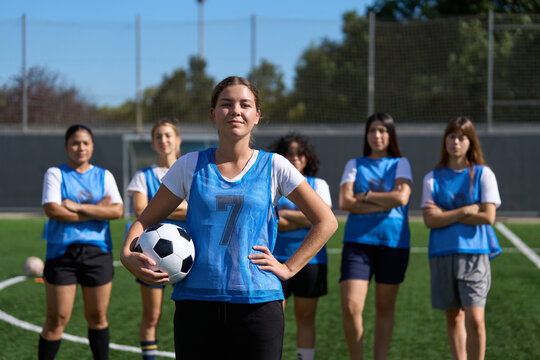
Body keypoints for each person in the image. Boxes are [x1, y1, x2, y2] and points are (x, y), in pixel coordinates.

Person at [121, 76, 338, 360]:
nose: (236, 110)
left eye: (245, 104)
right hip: (196, 304)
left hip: (259, 304)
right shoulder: (189, 165)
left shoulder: (275, 165)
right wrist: (127, 253)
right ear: (213, 113)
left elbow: (326, 221)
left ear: (257, 115)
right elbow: (144, 219)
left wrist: (288, 269)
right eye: (226, 104)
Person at [40, 124, 123, 360]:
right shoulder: (55, 173)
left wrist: (77, 207)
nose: (81, 147)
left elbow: (117, 211)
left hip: (98, 253)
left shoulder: (104, 175)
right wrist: (99, 210)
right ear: (66, 146)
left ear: (92, 146)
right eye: (75, 143)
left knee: (97, 317)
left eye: (86, 143)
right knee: (57, 319)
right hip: (62, 255)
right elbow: (53, 210)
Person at [421, 116, 501, 360]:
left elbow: (488, 217)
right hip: (442, 253)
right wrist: (466, 210)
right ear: (445, 140)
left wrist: (445, 214)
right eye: (452, 136)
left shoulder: (483, 174)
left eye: (462, 137)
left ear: (470, 142)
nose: (456, 141)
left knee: (475, 319)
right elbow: (429, 220)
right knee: (453, 317)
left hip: (474, 254)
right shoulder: (432, 178)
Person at [339, 112, 412, 360]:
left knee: (384, 308)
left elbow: (402, 197)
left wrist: (367, 197)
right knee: (350, 307)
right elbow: (345, 201)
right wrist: (385, 202)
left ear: (390, 135)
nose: (377, 135)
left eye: (382, 130)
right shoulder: (354, 164)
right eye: (373, 130)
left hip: (393, 244)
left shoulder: (401, 163)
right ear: (366, 135)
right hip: (358, 244)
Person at [126, 119, 187, 360]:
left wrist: (156, 206)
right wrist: (180, 207)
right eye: (159, 136)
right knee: (152, 315)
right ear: (152, 143)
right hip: (151, 254)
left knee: (191, 314)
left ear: (178, 140)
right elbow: (140, 211)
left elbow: (196, 210)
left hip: (188, 253)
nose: (164, 140)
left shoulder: (190, 172)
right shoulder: (143, 176)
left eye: (168, 136)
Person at [269, 133, 332, 360]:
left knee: (306, 318)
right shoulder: (273, 184)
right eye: (289, 153)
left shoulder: (319, 185)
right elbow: (272, 222)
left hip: (311, 261)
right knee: (273, 319)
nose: (295, 158)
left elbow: (324, 221)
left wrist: (285, 214)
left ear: (308, 157)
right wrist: (305, 216)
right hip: (274, 261)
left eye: (300, 153)